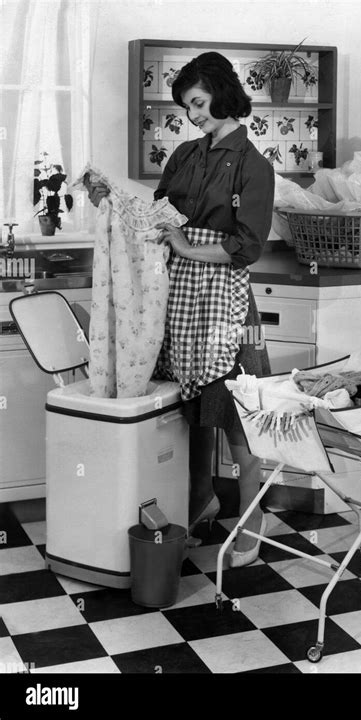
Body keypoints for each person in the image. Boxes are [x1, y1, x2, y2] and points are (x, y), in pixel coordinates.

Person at [87, 51, 275, 567]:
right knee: (190, 413)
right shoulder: (186, 156)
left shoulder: (255, 166)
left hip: (223, 298)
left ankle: (252, 525)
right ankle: (201, 503)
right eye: (187, 106)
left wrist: (190, 246)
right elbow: (157, 216)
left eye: (198, 102)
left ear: (220, 92)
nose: (193, 115)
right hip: (180, 294)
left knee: (237, 417)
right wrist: (113, 199)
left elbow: (248, 245)